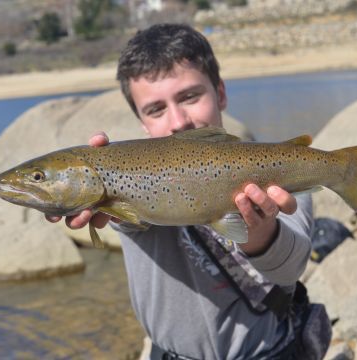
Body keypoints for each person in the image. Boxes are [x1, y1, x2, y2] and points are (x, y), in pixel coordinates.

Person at [47, 23, 330, 359]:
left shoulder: (278, 175)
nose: (178, 120)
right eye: (156, 109)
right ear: (141, 121)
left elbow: (289, 270)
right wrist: (87, 205)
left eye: (190, 96)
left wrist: (263, 229)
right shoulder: (126, 182)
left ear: (220, 93)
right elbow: (123, 219)